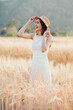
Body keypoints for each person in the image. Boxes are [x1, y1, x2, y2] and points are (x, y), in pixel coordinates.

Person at [17, 16, 53, 88]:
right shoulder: (33, 36)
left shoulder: (49, 37)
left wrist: (44, 36)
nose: (35, 24)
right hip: (34, 63)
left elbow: (43, 49)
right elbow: (19, 34)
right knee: (33, 86)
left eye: (37, 23)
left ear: (43, 25)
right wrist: (29, 22)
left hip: (43, 65)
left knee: (45, 86)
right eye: (35, 23)